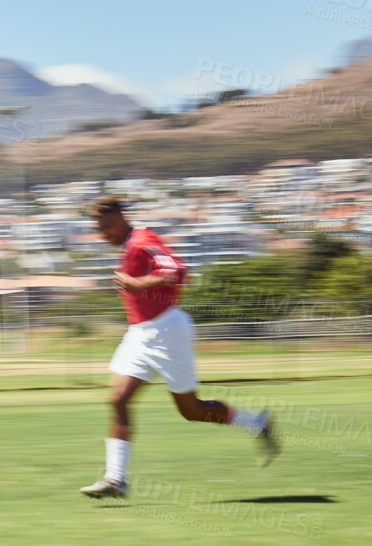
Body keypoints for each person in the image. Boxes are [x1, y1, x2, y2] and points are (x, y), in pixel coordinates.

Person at [79, 196, 278, 500]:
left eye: (106, 227)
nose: (103, 234)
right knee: (118, 399)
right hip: (140, 333)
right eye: (99, 229)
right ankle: (115, 479)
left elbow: (179, 271)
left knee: (192, 411)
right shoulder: (129, 245)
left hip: (167, 330)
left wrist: (139, 285)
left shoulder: (144, 239)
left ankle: (256, 422)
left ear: (121, 218)